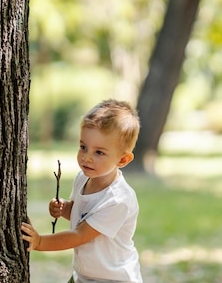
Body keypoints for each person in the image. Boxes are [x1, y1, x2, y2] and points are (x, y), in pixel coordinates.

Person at [22, 99, 143, 283]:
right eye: (83, 147)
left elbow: (80, 235)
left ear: (123, 160)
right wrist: (65, 209)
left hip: (114, 279)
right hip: (85, 276)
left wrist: (40, 242)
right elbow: (83, 216)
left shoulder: (118, 200)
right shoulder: (83, 178)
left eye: (99, 152)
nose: (86, 157)